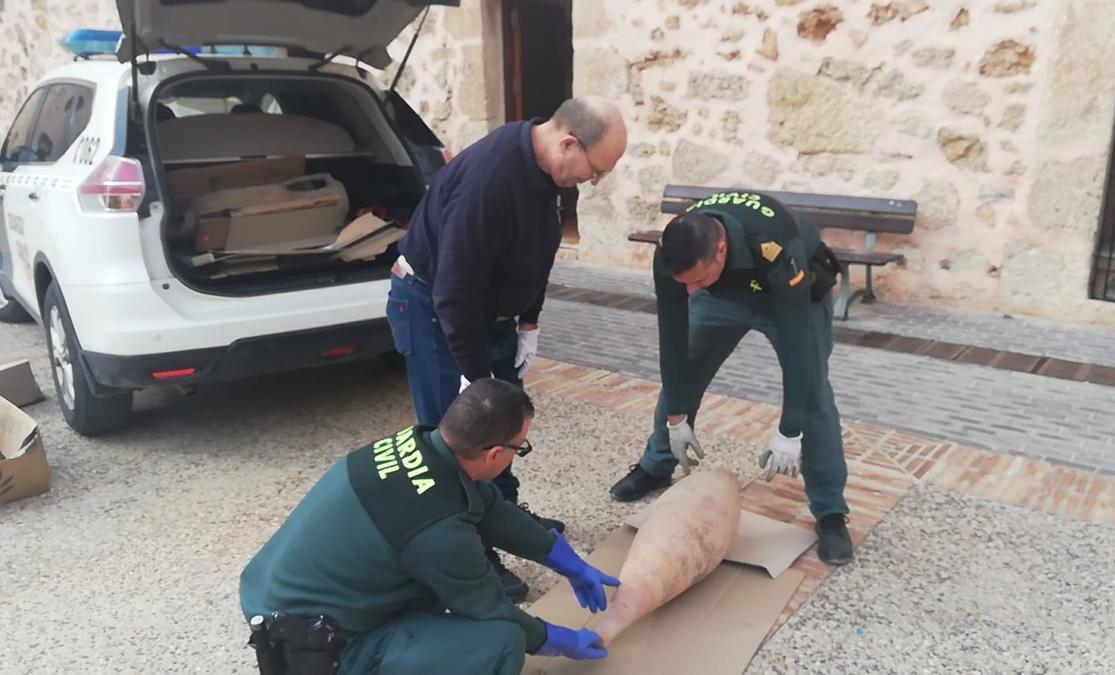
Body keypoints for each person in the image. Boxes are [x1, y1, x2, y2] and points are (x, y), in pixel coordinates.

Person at [387, 95, 627, 600]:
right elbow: (455, 291)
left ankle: (502, 516)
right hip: (437, 311)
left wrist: (529, 322)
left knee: (504, 433)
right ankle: (468, 551)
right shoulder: (490, 181)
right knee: (455, 443)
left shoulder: (547, 173)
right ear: (568, 142)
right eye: (596, 171)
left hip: (489, 316)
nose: (591, 181)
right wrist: (476, 378)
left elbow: (539, 252)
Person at [239, 378, 617, 675]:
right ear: (495, 454)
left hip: (280, 595)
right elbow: (490, 609)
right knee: (502, 640)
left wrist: (566, 561)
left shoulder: (418, 446)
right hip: (318, 644)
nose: (520, 453)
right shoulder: (439, 531)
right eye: (522, 447)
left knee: (432, 593)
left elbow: (488, 507)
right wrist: (556, 639)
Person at [607, 191, 855, 566]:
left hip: (787, 298)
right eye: (683, 283)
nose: (688, 291)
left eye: (696, 279)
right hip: (721, 297)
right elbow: (672, 340)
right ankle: (656, 464)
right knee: (685, 372)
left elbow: (797, 356)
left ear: (721, 250)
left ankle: (830, 512)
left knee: (813, 394)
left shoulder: (775, 246)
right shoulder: (674, 254)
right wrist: (676, 415)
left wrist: (789, 430)